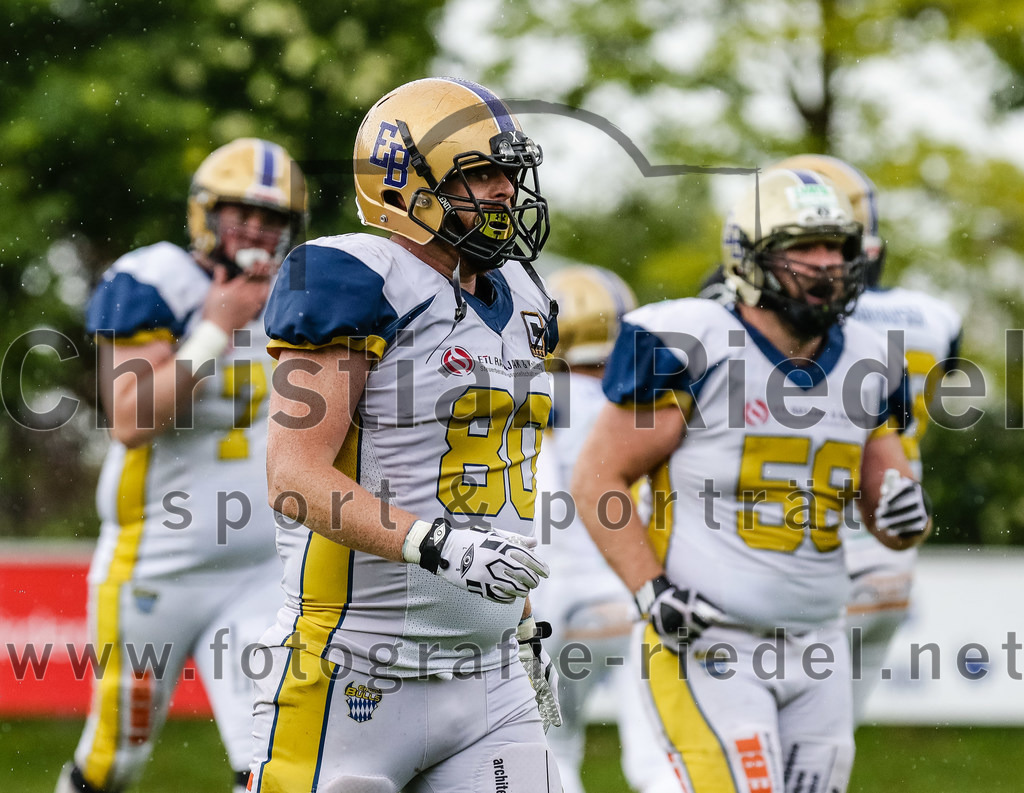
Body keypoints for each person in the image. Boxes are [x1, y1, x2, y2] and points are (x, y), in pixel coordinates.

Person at [247, 77, 562, 793]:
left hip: (489, 683)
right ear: (403, 186)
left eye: (508, 173)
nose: (504, 192)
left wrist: (518, 623)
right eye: (479, 174)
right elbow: (293, 477)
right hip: (353, 671)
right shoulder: (358, 278)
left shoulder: (526, 298)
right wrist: (436, 544)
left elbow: (494, 482)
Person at [573, 167, 932, 793]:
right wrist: (649, 590)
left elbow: (892, 509)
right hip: (710, 639)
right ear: (751, 256)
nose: (826, 264)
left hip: (820, 642)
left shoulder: (871, 356)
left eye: (837, 247)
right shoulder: (692, 341)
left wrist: (907, 518)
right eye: (803, 246)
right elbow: (598, 480)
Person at [57, 138, 307, 793]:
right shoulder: (154, 280)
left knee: (273, 756)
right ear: (204, 212)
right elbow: (131, 418)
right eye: (241, 213)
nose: (256, 231)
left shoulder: (296, 295)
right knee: (116, 760)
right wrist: (217, 326)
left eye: (272, 219)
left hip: (258, 568)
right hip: (157, 564)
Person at [773, 154, 963, 723]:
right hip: (893, 550)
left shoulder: (799, 322)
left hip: (819, 554)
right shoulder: (934, 315)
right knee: (826, 744)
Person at [531, 264, 639, 793]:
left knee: (553, 750)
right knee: (662, 754)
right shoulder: (646, 408)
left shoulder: (537, 402)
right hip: (638, 599)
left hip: (566, 607)